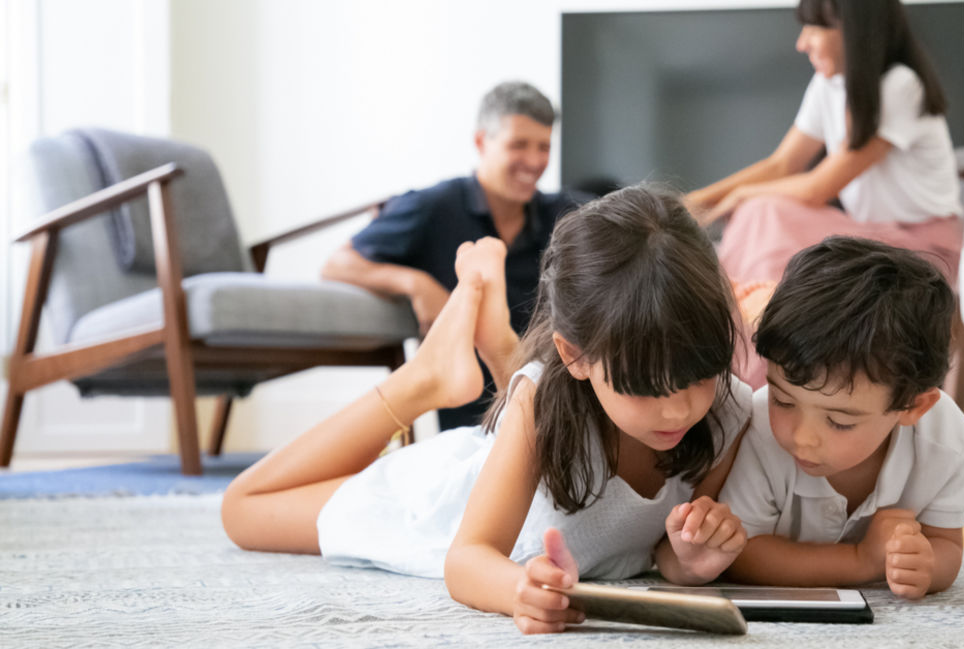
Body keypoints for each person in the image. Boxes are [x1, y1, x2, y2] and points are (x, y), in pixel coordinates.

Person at [222, 186, 753, 635]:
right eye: (646, 387)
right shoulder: (542, 403)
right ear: (577, 357)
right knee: (243, 509)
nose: (679, 408)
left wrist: (689, 560)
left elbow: (663, 550)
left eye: (700, 374)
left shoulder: (729, 411)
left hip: (527, 439)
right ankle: (423, 380)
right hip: (445, 505)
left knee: (538, 392)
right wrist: (517, 590)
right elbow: (466, 558)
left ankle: (493, 335)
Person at [718, 237, 964, 600]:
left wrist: (926, 566)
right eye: (783, 400)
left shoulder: (946, 441)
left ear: (913, 408)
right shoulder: (757, 427)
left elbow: (946, 544)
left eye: (840, 421)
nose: (802, 437)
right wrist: (860, 561)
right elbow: (740, 554)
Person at [322, 81, 588, 430]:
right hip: (475, 423)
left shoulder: (566, 214)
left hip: (563, 398)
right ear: (481, 142)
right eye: (518, 145)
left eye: (544, 147)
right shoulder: (432, 207)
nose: (535, 161)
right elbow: (336, 265)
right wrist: (415, 284)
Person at [686, 0, 963, 291]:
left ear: (856, 32)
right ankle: (743, 314)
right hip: (871, 236)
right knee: (756, 211)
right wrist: (696, 202)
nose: (802, 43)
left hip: (925, 250)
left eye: (815, 28)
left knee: (762, 211)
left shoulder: (901, 86)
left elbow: (818, 189)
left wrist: (741, 194)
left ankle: (754, 320)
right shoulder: (828, 84)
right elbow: (782, 165)